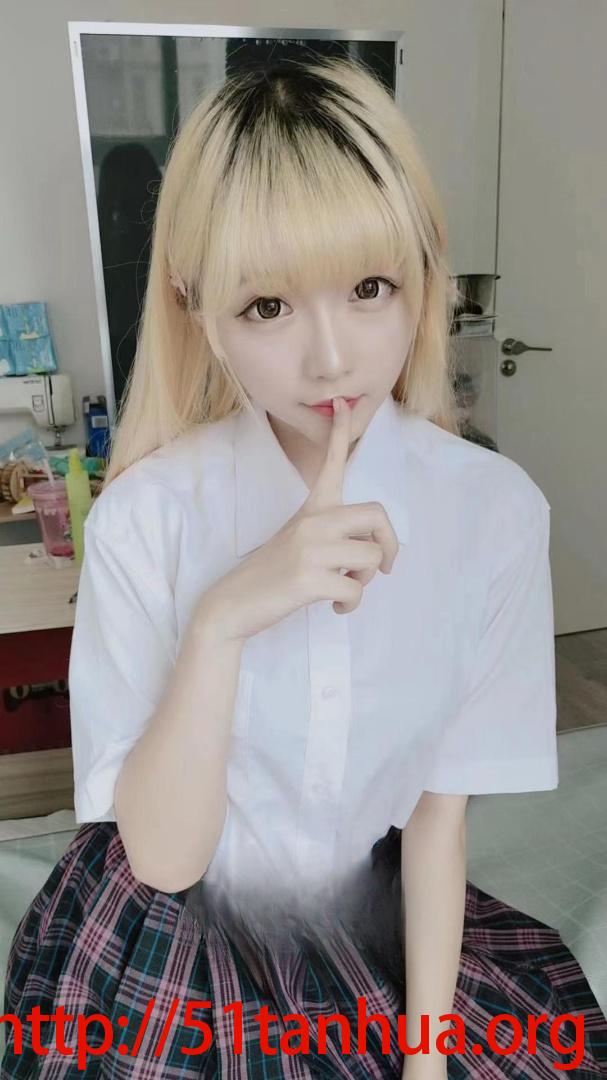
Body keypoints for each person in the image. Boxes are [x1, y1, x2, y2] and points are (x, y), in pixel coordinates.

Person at [2, 57, 606, 1080]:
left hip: (370, 915)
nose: (332, 359)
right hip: (166, 921)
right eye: (268, 307)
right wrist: (224, 619)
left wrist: (425, 1065)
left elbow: (436, 822)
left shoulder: (492, 514)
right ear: (195, 304)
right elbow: (162, 860)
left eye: (369, 287)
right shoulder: (148, 517)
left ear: (421, 271)